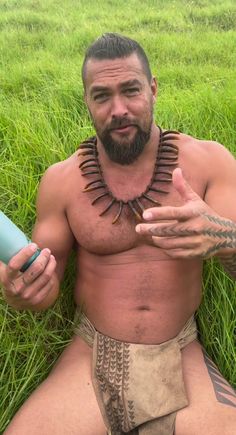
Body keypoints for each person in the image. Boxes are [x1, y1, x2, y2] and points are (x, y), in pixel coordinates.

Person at [0, 33, 235, 435]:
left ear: (154, 88)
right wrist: (22, 290)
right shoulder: (61, 181)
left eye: (131, 90)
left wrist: (227, 239)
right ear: (87, 101)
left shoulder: (210, 162)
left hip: (180, 350)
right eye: (102, 95)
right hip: (91, 351)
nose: (119, 109)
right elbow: (46, 285)